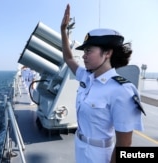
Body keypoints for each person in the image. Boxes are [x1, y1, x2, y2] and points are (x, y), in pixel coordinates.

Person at [60, 4, 145, 163]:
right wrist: (63, 31)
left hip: (100, 155)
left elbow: (124, 145)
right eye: (84, 52)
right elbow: (69, 58)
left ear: (107, 53)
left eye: (89, 51)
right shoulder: (87, 77)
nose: (84, 56)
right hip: (80, 147)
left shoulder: (122, 90)